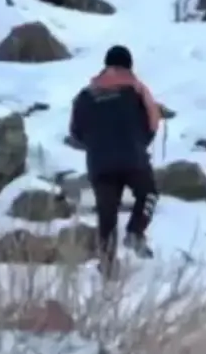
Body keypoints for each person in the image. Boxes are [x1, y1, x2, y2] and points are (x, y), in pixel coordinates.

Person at [69, 45, 161, 275]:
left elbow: (76, 131)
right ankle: (135, 231)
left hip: (99, 162)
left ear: (106, 65)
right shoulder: (137, 89)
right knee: (148, 193)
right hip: (132, 157)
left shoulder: (85, 95)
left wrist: (96, 145)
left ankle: (108, 266)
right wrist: (139, 142)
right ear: (129, 65)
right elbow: (153, 122)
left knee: (107, 214)